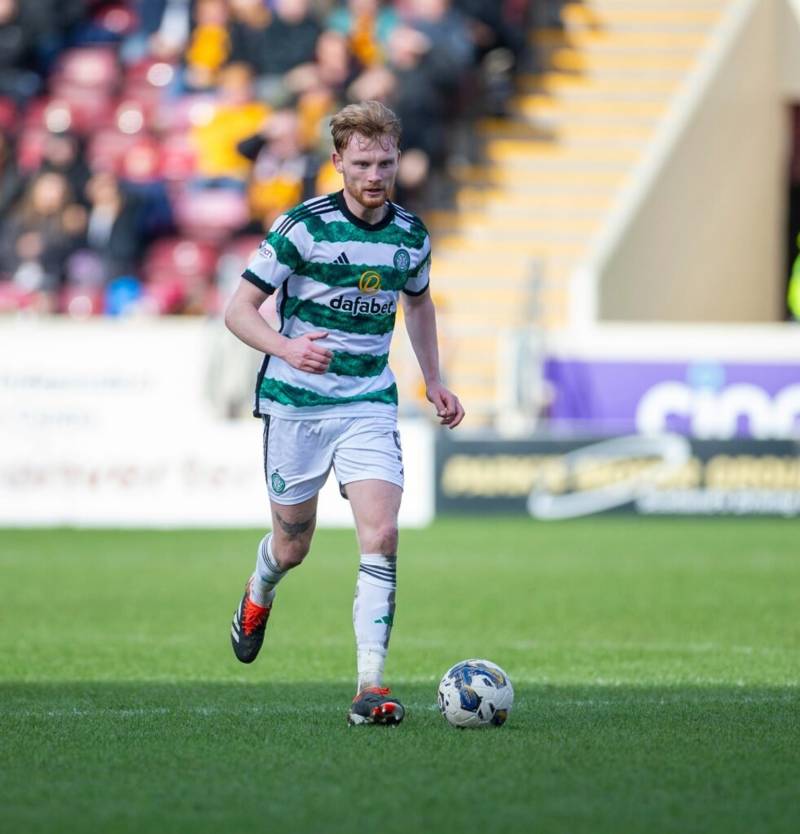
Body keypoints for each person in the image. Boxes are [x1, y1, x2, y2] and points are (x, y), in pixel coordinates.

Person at [224, 99, 464, 726]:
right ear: (337, 162)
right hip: (296, 405)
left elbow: (418, 304)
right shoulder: (301, 228)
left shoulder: (410, 235)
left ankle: (369, 685)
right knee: (292, 546)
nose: (374, 175)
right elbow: (238, 310)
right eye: (361, 164)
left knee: (381, 535)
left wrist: (434, 380)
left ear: (397, 159)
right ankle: (259, 590)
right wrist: (287, 348)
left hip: (367, 402)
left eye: (384, 163)